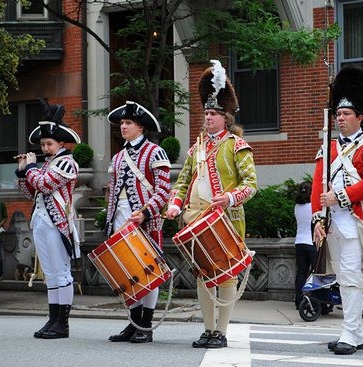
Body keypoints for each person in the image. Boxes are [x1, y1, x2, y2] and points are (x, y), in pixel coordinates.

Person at [165, 60, 257, 349]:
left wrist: (229, 197)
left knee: (226, 275)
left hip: (226, 219)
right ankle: (207, 329)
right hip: (195, 218)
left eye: (214, 113)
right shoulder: (197, 147)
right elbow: (182, 181)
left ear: (226, 118)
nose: (208, 117)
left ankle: (222, 331)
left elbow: (251, 184)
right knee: (203, 275)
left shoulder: (237, 146)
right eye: (206, 112)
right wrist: (174, 204)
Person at [311, 65, 363, 356]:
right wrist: (318, 217)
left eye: (345, 114)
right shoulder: (327, 146)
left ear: (360, 116)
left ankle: (349, 332)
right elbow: (317, 185)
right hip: (332, 222)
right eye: (338, 114)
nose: (340, 118)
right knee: (343, 277)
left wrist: (339, 197)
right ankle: (355, 333)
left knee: (352, 276)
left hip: (357, 221)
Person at [105, 101, 171, 343]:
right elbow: (111, 192)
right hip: (120, 219)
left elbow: (164, 190)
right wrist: (109, 219)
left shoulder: (155, 152)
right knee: (127, 271)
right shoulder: (118, 156)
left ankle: (146, 324)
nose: (123, 127)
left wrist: (145, 212)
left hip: (146, 220)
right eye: (122, 123)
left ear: (140, 127)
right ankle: (133, 323)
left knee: (148, 271)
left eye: (128, 123)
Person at [15, 100, 81, 339]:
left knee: (62, 272)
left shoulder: (67, 162)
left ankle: (62, 324)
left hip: (58, 223)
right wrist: (23, 170)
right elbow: (30, 191)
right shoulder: (45, 164)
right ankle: (52, 320)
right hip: (41, 222)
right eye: (42, 144)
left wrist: (31, 168)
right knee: (50, 273)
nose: (44, 147)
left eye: (49, 143)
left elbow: (44, 184)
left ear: (61, 143)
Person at [294, 181, 317, 309]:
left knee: (301, 272)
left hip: (299, 242)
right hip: (311, 242)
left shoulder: (297, 207)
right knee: (316, 272)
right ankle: (314, 299)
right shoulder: (313, 206)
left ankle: (299, 299)